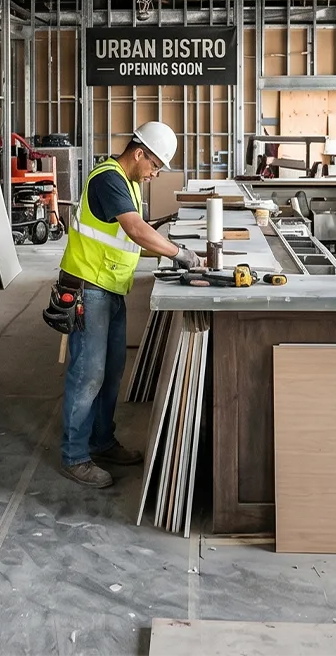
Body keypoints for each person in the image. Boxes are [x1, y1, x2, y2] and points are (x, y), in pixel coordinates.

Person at [51, 121, 204, 488]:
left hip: (111, 288)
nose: (155, 174)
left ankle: (102, 441)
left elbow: (128, 239)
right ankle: (75, 456)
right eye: (155, 165)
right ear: (139, 154)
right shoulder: (109, 178)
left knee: (112, 371)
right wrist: (180, 254)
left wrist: (165, 252)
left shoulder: (130, 184)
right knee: (88, 374)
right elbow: (136, 230)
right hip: (89, 288)